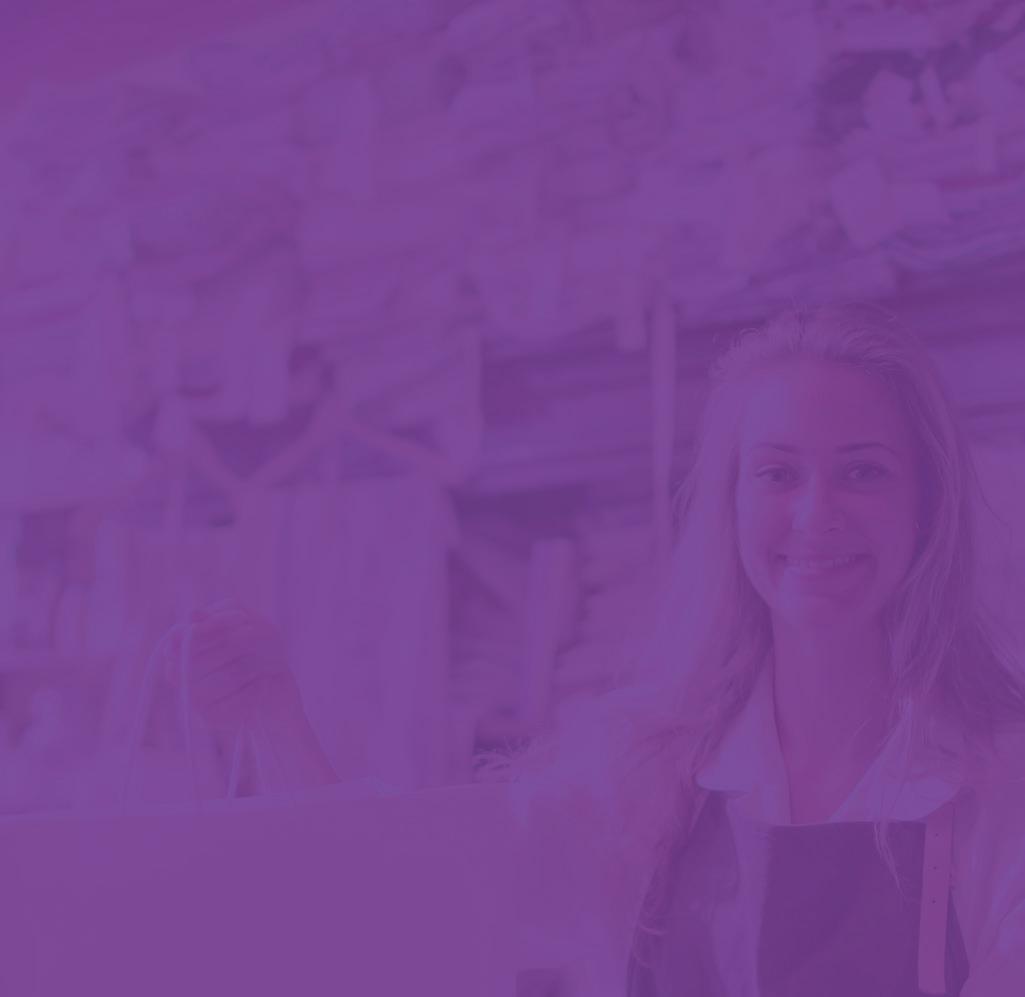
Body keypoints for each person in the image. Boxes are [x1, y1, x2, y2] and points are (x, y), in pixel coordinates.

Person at [171, 305, 1025, 995]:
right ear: (728, 506)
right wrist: (273, 717)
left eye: (863, 471)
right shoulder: (640, 773)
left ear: (928, 505)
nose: (814, 514)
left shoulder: (1002, 781)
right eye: (776, 473)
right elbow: (412, 912)